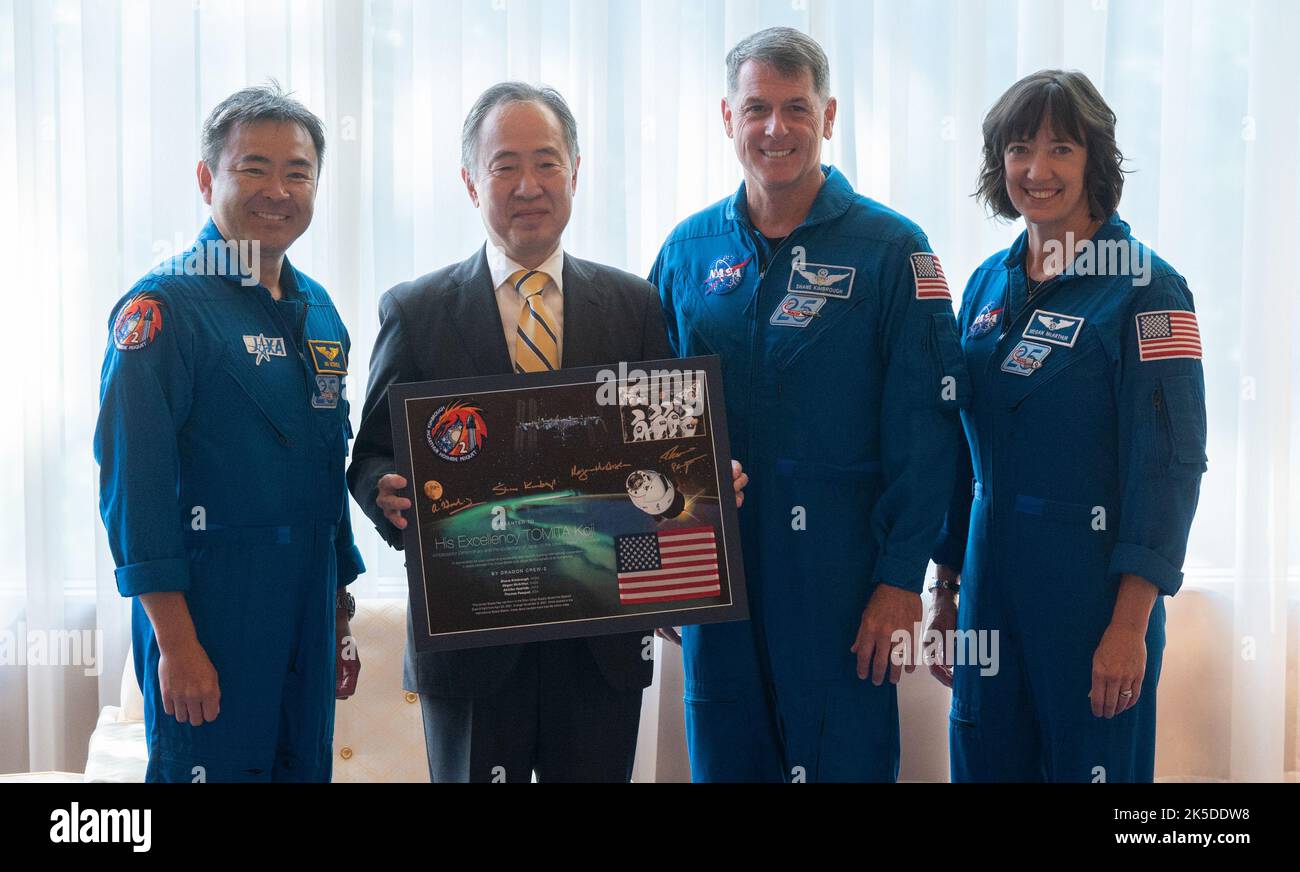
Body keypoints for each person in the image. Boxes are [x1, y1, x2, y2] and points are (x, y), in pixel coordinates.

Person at [347, 82, 746, 783]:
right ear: (472, 181)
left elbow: (664, 452)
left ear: (575, 171)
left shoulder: (633, 303)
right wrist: (382, 490)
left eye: (547, 162)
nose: (528, 185)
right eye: (505, 166)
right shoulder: (415, 310)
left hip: (601, 643)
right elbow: (372, 452)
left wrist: (705, 484)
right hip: (471, 639)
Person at [649, 27, 967, 782]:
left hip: (844, 581)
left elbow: (929, 428)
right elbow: (648, 418)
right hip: (716, 579)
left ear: (828, 116)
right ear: (727, 119)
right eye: (756, 107)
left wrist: (899, 581)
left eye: (797, 108)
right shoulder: (687, 251)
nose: (775, 128)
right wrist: (656, 559)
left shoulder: (894, 250)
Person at [925, 69, 1207, 782]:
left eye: (1061, 149)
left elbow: (1169, 467)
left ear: (1096, 161)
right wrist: (946, 589)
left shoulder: (1149, 288)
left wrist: (1128, 625)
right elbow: (959, 451)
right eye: (1020, 148)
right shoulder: (988, 282)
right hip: (990, 585)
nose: (1037, 170)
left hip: (1092, 597)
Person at [94, 83, 365, 782]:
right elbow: (135, 488)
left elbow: (324, 467)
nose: (278, 189)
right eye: (254, 168)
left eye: (298, 172)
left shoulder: (320, 310)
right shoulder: (163, 309)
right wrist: (175, 646)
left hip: (307, 615)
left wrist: (338, 610)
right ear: (207, 177)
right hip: (211, 624)